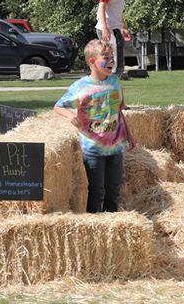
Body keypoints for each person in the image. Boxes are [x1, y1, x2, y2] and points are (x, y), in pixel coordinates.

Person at [54, 39, 135, 213]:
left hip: (116, 146)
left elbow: (119, 111)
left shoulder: (114, 82)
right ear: (92, 61)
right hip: (93, 148)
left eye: (112, 56)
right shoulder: (81, 86)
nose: (112, 61)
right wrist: (70, 116)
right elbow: (58, 106)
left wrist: (130, 135)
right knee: (97, 191)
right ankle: (95, 220)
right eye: (106, 57)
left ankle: (112, 222)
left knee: (113, 191)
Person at [96, 0, 131, 77]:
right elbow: (102, 5)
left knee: (118, 59)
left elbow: (117, 9)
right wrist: (105, 27)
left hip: (114, 26)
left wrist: (123, 26)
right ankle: (104, 83)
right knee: (111, 60)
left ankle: (112, 84)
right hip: (107, 27)